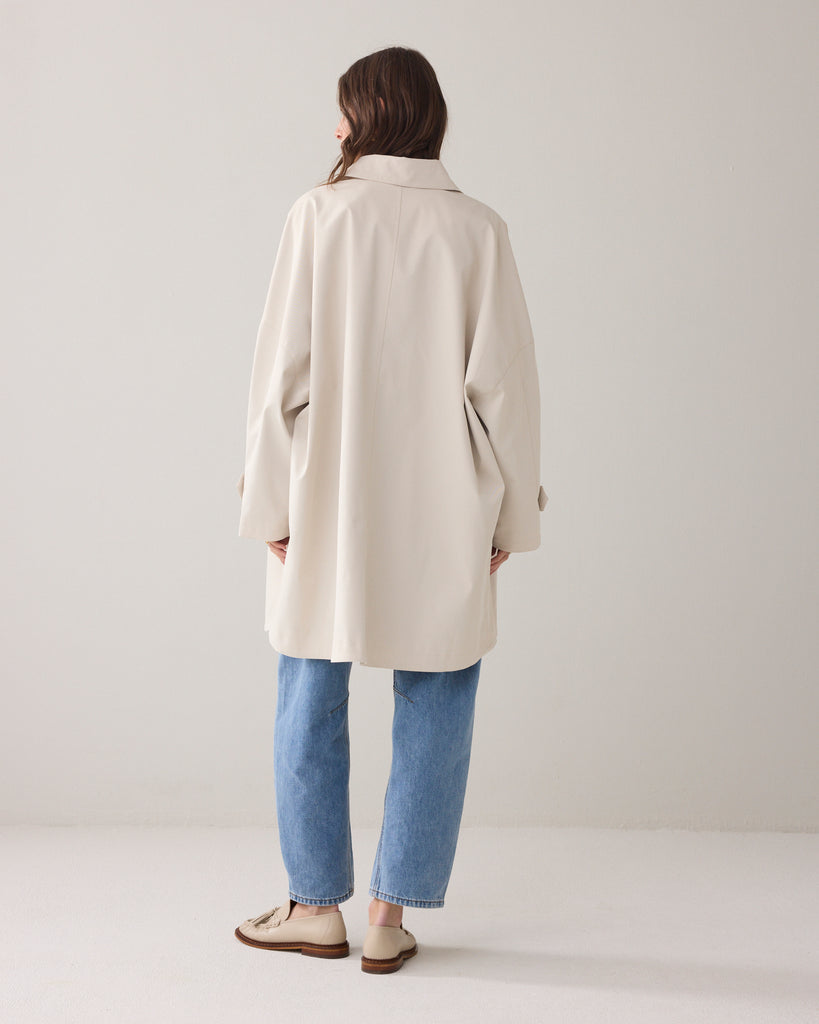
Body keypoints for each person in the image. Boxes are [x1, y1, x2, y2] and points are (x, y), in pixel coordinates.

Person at [233, 46, 548, 974]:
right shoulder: (478, 229)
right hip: (447, 501)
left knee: (307, 692)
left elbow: (279, 377)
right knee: (439, 694)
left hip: (325, 497)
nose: (332, 127)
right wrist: (509, 521)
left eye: (341, 110)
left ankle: (311, 907)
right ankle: (387, 914)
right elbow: (506, 391)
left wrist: (269, 505)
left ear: (367, 116)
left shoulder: (318, 215)